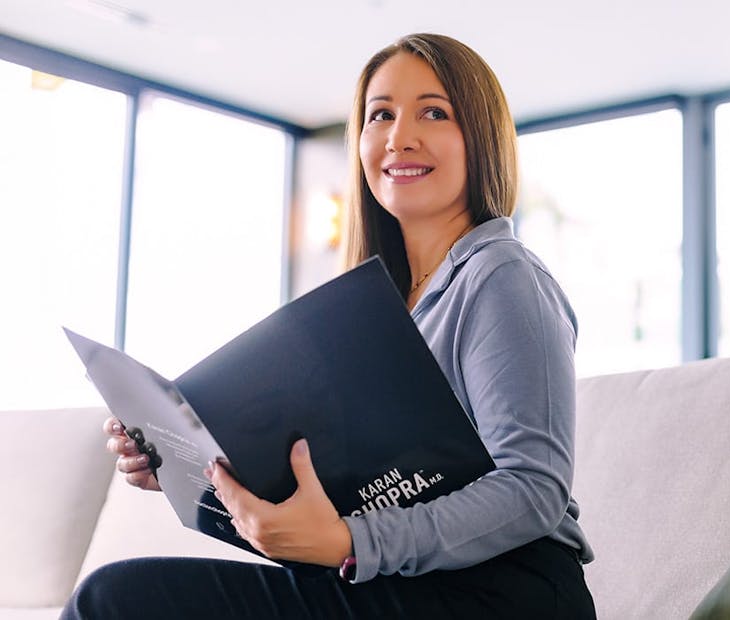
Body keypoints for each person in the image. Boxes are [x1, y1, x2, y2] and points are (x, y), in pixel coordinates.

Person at [61, 33, 596, 619]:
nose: (400, 137)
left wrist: (351, 542)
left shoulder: (501, 274)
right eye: (381, 115)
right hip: (392, 582)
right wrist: (184, 467)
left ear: (481, 138)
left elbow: (534, 490)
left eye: (434, 113)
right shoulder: (381, 314)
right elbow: (341, 497)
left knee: (116, 599)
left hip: (505, 594)